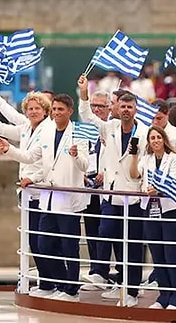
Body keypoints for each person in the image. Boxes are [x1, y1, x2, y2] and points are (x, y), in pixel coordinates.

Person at [0, 94, 90, 302]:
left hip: (69, 200)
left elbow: (86, 166)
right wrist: (9, 149)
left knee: (69, 247)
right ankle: (57, 283)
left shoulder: (79, 134)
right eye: (54, 109)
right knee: (43, 243)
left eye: (60, 110)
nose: (56, 113)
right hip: (49, 198)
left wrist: (76, 156)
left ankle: (71, 290)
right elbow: (31, 158)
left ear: (69, 112)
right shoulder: (46, 135)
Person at [0, 87, 56, 297]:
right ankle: (46, 282)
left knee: (44, 240)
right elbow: (0, 125)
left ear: (45, 111)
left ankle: (51, 283)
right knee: (33, 241)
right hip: (28, 194)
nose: (34, 111)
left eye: (37, 108)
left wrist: (9, 150)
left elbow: (31, 157)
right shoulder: (26, 128)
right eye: (31, 108)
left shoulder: (49, 130)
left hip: (43, 191)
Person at [78, 75, 148, 307]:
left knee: (133, 247)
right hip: (111, 194)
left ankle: (131, 290)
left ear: (135, 109)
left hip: (135, 196)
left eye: (130, 107)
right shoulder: (110, 127)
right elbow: (87, 115)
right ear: (116, 108)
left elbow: (146, 163)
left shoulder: (145, 133)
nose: (126, 110)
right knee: (105, 231)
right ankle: (102, 271)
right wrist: (84, 93)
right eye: (123, 106)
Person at [130, 126, 176, 310]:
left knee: (172, 254)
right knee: (157, 254)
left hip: (169, 211)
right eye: (152, 138)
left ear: (164, 139)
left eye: (158, 137)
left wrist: (159, 190)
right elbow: (134, 175)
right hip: (150, 210)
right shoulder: (146, 160)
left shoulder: (174, 159)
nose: (155, 140)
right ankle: (164, 295)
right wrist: (134, 156)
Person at [79, 90, 110, 291]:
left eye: (101, 106)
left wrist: (105, 173)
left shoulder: (112, 129)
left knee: (109, 232)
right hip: (89, 188)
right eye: (94, 106)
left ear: (109, 108)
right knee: (91, 230)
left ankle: (119, 274)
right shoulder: (84, 130)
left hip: (109, 190)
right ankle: (96, 271)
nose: (97, 110)